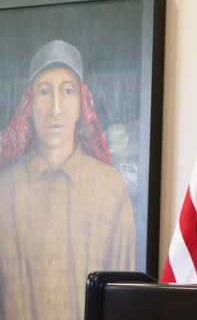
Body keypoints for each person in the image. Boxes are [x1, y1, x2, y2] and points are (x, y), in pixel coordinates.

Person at [0, 40, 136, 320]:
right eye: (44, 91)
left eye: (68, 90)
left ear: (82, 103)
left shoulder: (110, 190)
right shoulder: (4, 190)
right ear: (29, 103)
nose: (56, 108)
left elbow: (124, 299)